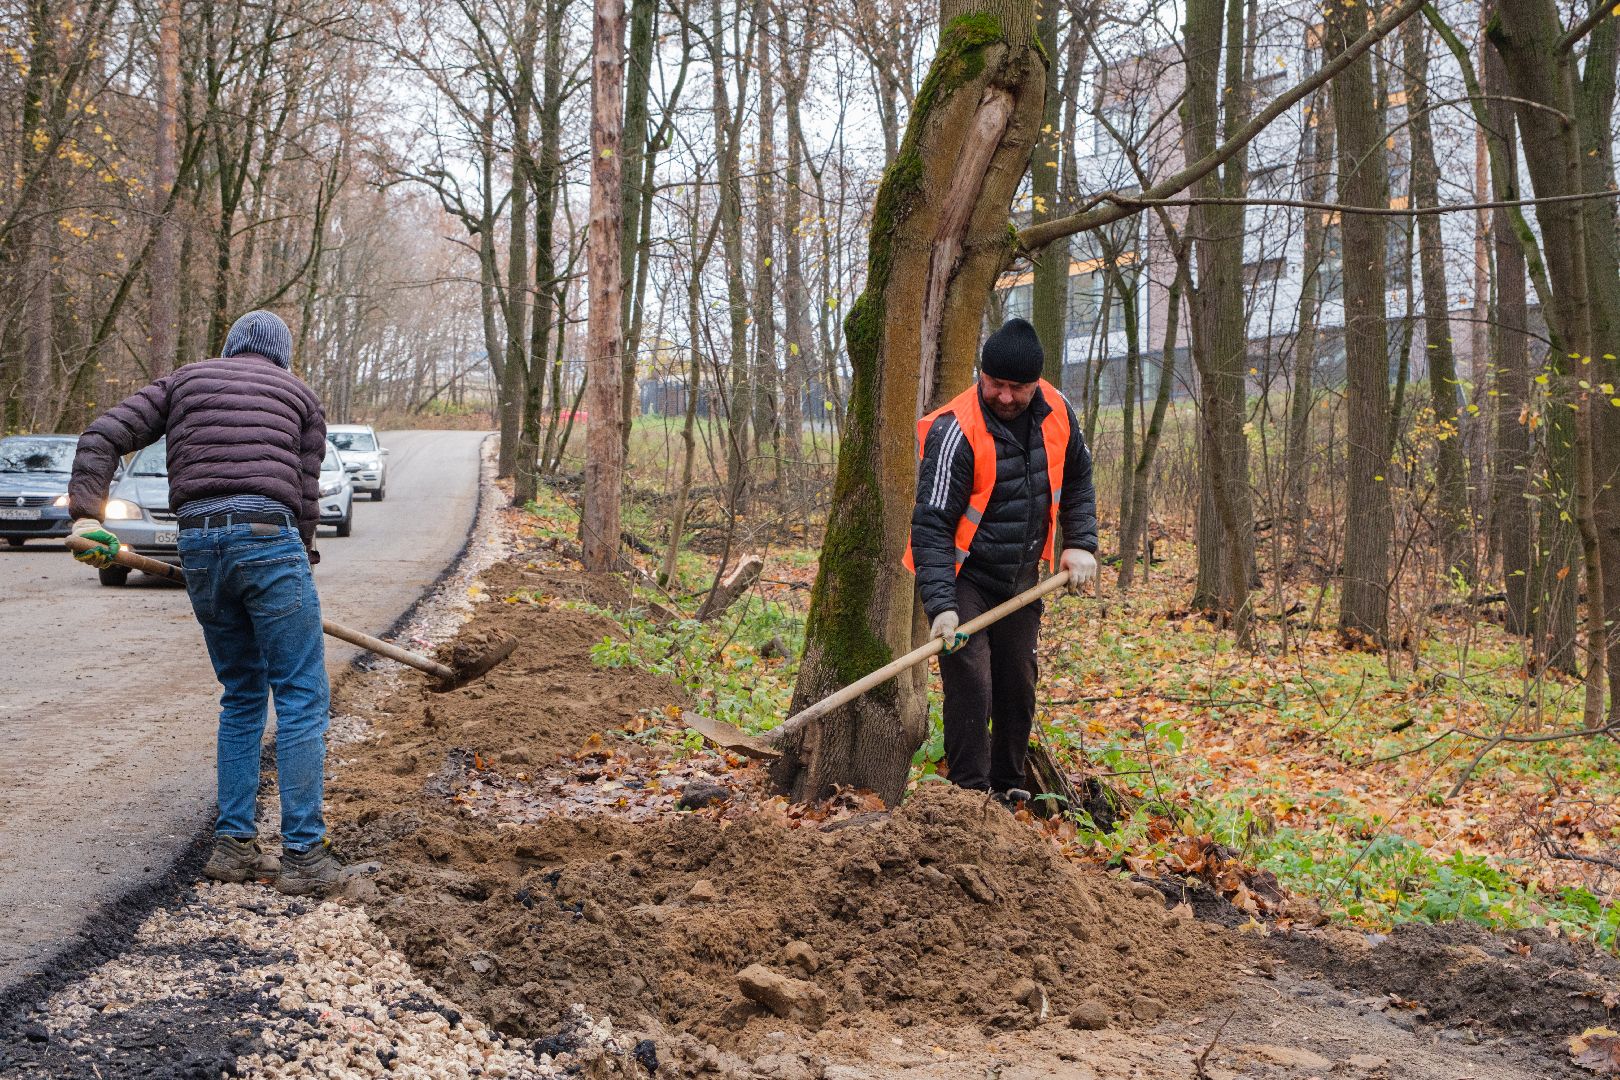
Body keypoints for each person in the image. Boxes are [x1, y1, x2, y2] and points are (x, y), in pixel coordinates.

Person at [66, 310, 346, 896]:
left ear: (229, 347)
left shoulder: (185, 380)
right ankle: (303, 857)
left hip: (196, 544)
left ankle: (233, 847)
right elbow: (307, 494)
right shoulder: (299, 395)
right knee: (300, 695)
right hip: (270, 538)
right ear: (281, 357)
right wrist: (303, 561)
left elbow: (102, 436)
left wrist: (86, 518)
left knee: (242, 692)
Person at [906, 317, 1098, 805]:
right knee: (971, 676)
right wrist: (942, 605)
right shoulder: (957, 431)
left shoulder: (1058, 412)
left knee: (1018, 678)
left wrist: (1082, 544)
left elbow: (1078, 479)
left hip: (1022, 577)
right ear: (980, 375)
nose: (1006, 396)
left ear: (1036, 384)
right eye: (996, 384)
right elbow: (931, 524)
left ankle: (1010, 788)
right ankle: (969, 798)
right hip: (964, 576)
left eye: (1018, 387)